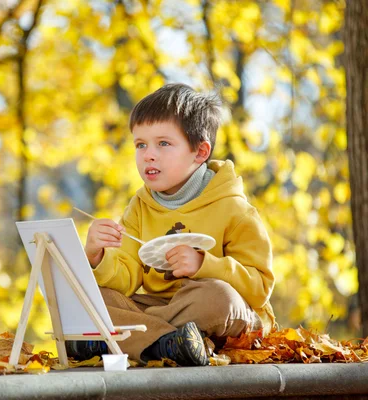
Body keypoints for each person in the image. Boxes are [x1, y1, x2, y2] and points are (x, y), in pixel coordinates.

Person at [66, 83, 276, 366]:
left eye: (163, 143)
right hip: (164, 308)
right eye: (141, 144)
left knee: (217, 297)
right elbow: (127, 278)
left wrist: (204, 264)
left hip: (222, 315)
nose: (148, 155)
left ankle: (126, 337)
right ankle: (170, 342)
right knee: (90, 297)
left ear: (200, 152)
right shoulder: (140, 206)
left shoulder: (234, 208)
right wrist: (97, 257)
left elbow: (259, 287)